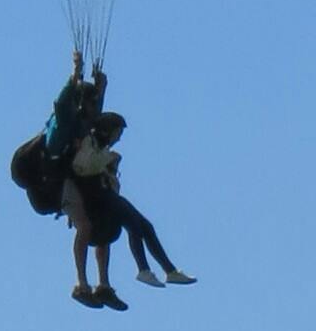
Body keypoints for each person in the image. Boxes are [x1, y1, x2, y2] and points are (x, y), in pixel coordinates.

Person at [34, 57, 195, 307]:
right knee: (87, 227)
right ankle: (81, 283)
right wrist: (74, 76)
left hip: (93, 187)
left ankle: (105, 285)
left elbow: (96, 119)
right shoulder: (67, 123)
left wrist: (101, 88)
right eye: (91, 103)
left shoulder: (89, 127)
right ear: (82, 104)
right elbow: (62, 104)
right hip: (67, 185)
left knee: (106, 228)